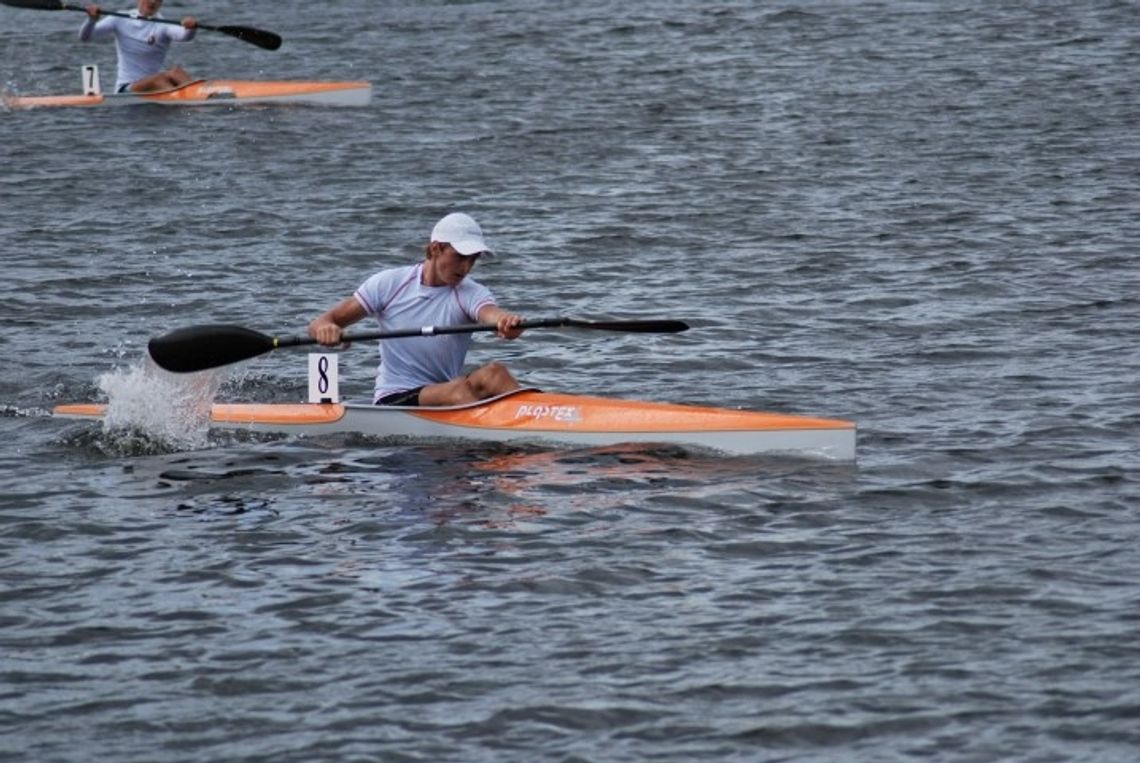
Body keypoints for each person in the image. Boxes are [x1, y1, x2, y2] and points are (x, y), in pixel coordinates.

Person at [308, 213, 526, 407]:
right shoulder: (389, 284)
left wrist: (505, 322)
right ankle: (503, 435)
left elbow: (490, 313)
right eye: (460, 257)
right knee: (457, 388)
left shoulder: (470, 292)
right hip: (395, 398)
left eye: (473, 259)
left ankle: (538, 419)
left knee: (496, 373)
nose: (466, 268)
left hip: (447, 393)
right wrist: (327, 329)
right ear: (435, 248)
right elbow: (322, 322)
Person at [79, 1, 197, 93]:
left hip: (153, 86)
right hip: (126, 88)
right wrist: (91, 20)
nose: (152, 2)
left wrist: (190, 29)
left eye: (157, 0)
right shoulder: (120, 18)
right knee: (159, 78)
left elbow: (184, 37)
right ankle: (183, 101)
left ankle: (200, 95)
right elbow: (85, 37)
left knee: (176, 71)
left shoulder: (163, 24)